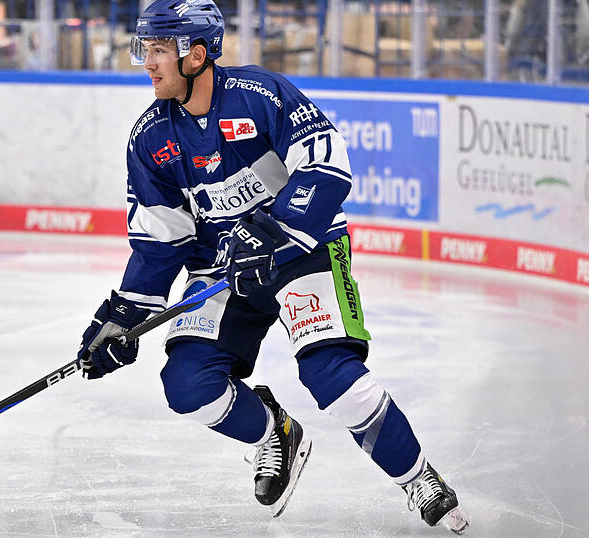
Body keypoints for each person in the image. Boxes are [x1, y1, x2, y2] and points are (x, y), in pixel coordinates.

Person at [75, 1, 468, 534]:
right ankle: (274, 434)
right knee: (187, 384)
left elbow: (328, 167)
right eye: (144, 49)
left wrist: (277, 234)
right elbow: (161, 242)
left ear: (196, 54)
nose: (148, 62)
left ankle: (417, 476)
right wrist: (123, 314)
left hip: (302, 253)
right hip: (223, 274)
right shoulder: (150, 139)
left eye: (159, 50)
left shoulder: (260, 95)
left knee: (332, 375)